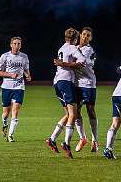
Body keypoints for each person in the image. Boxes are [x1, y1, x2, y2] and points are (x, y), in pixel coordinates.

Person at [45, 28, 85, 158]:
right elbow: (82, 61)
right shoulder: (73, 48)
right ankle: (66, 143)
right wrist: (69, 64)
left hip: (57, 82)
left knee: (68, 114)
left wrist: (63, 63)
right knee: (73, 114)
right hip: (66, 82)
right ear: (75, 39)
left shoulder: (61, 48)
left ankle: (52, 139)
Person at [0, 37, 31, 142]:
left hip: (19, 87)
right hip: (6, 87)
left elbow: (26, 69)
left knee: (15, 110)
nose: (17, 45)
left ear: (21, 45)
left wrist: (28, 75)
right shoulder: (5, 56)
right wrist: (10, 74)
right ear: (11, 45)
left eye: (19, 44)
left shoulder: (24, 57)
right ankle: (4, 124)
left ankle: (10, 135)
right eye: (15, 43)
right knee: (6, 113)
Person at [73, 27, 99, 152]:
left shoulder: (88, 50)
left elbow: (80, 63)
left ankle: (95, 140)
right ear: (80, 35)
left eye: (88, 35)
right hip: (77, 84)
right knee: (76, 111)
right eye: (84, 34)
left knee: (90, 110)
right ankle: (83, 138)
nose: (85, 37)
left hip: (88, 84)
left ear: (91, 38)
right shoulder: (75, 48)